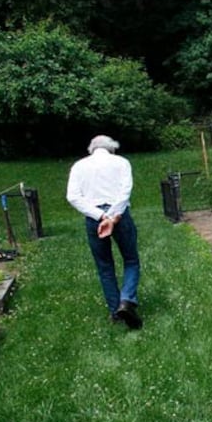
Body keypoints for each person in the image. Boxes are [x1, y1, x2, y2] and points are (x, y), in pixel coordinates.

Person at [66, 135, 143, 329]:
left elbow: (73, 196)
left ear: (91, 149)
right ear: (111, 149)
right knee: (131, 260)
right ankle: (126, 300)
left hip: (94, 219)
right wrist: (113, 215)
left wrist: (100, 216)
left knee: (105, 266)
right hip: (120, 216)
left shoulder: (78, 166)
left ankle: (115, 311)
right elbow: (125, 191)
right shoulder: (121, 163)